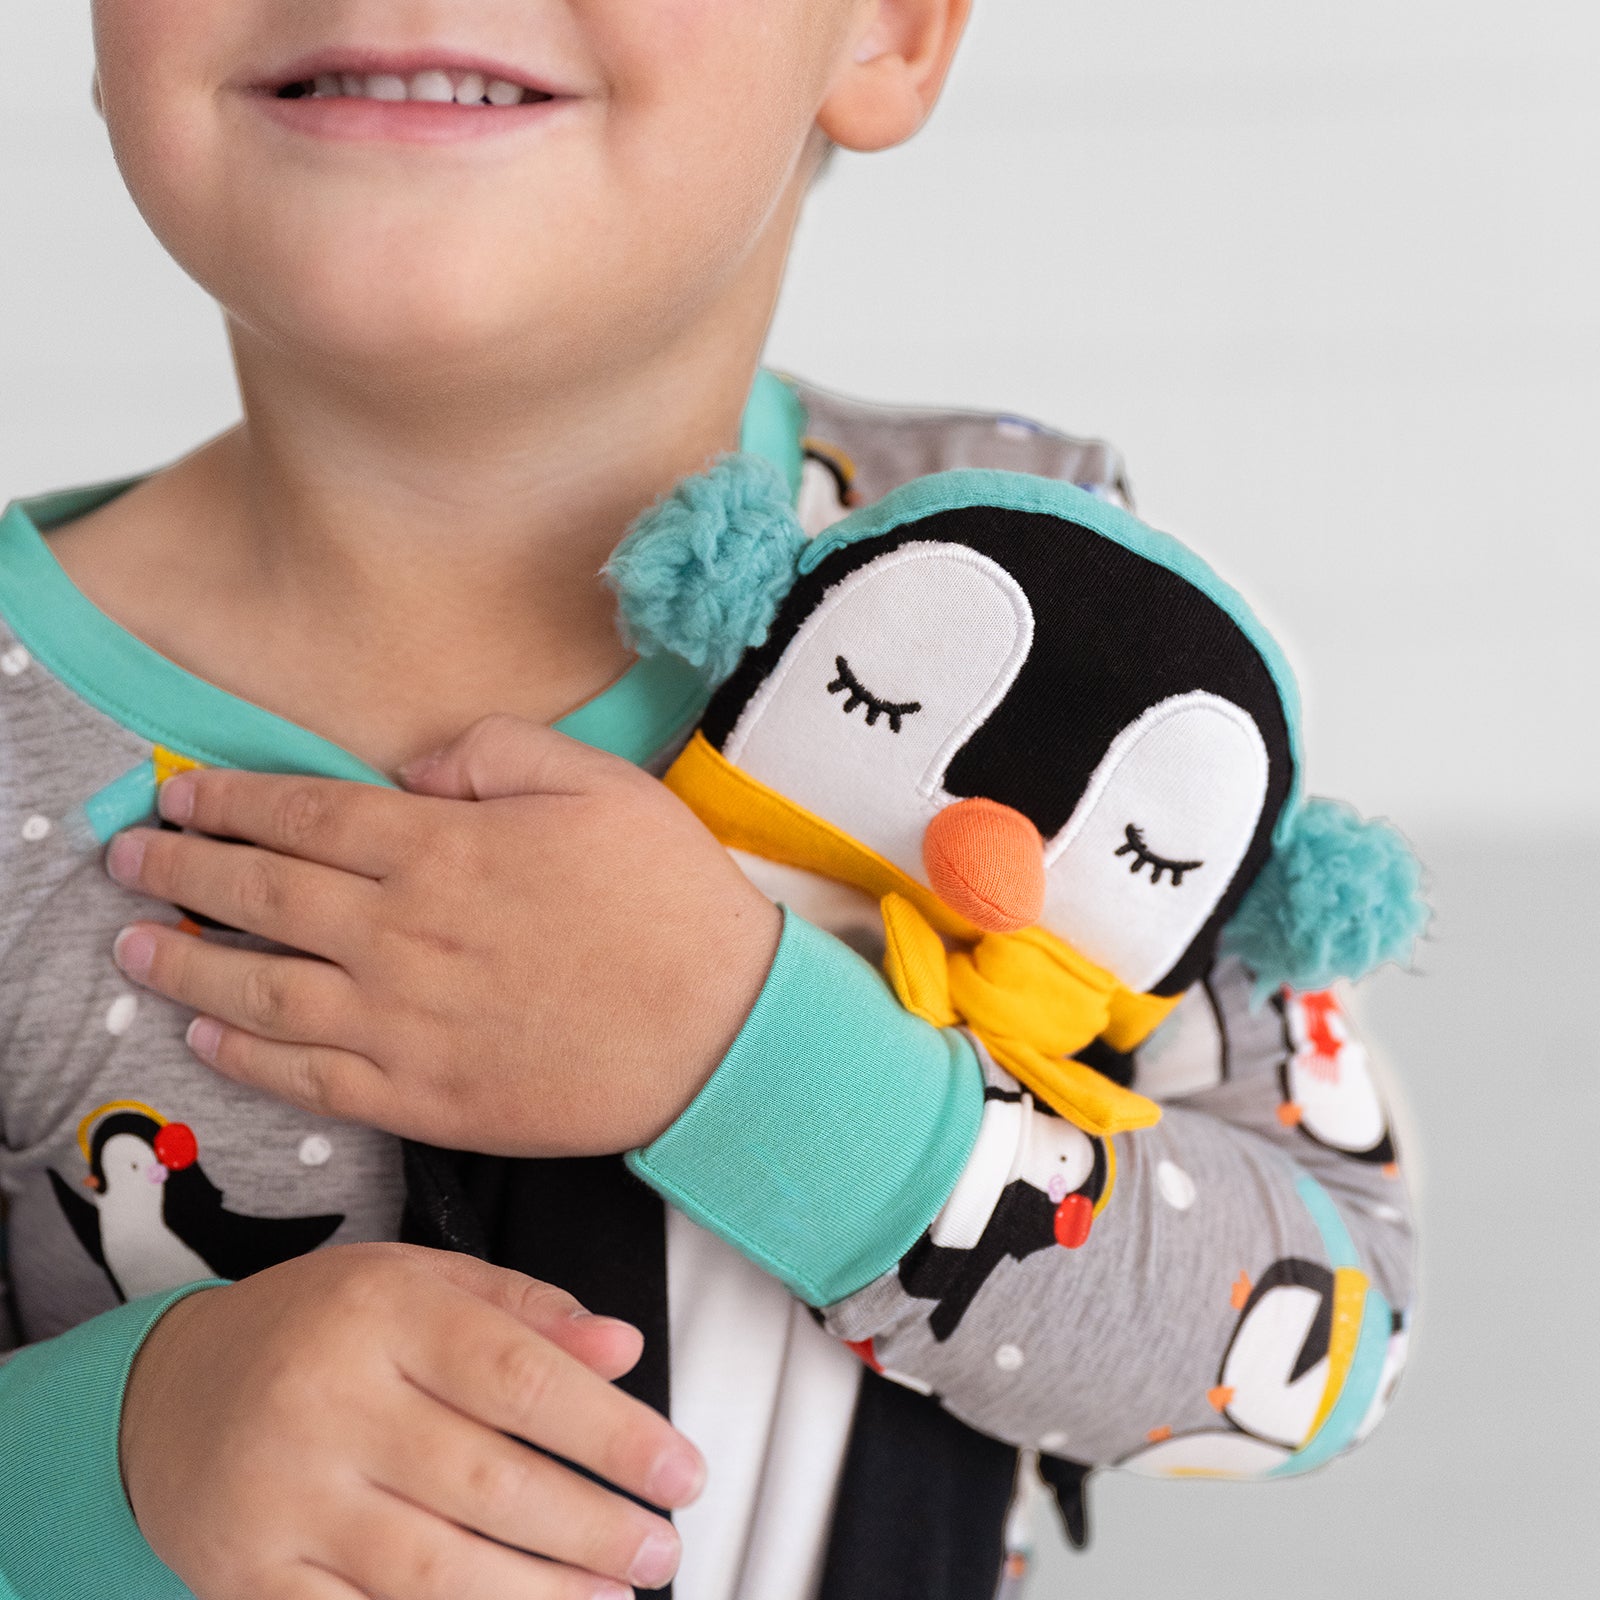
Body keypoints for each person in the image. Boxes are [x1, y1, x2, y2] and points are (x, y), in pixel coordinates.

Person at [0, 4, 1416, 1599]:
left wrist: (753, 1064)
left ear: (882, 34)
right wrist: (114, 1457)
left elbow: (1331, 1334)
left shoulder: (1059, 605)